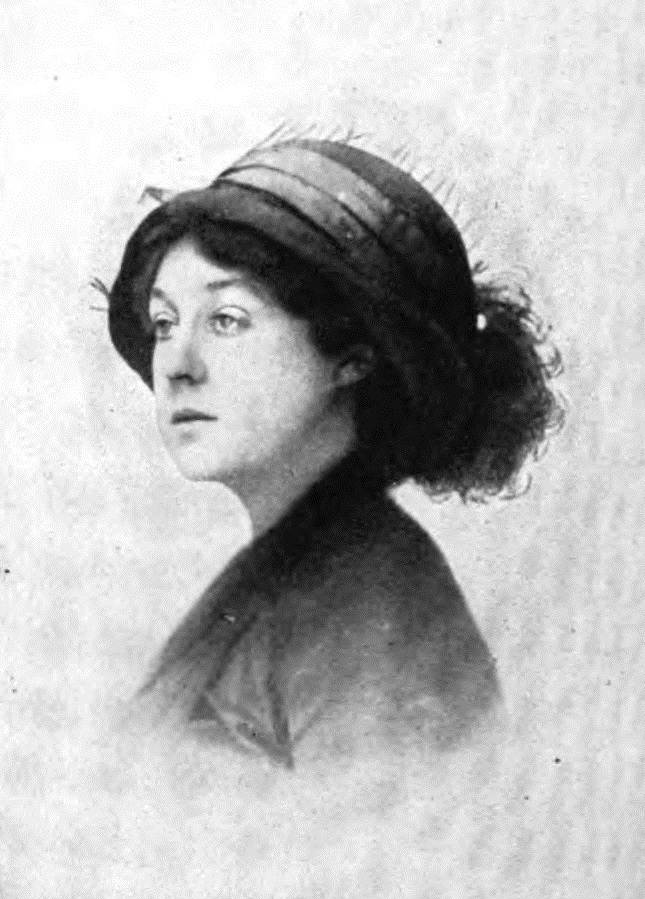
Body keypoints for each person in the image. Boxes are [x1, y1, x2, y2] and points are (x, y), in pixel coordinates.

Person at [106, 135, 561, 769]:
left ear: (351, 356)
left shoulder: (371, 608)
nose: (177, 366)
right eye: (164, 324)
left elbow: (383, 829)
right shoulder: (288, 574)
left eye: (227, 319)